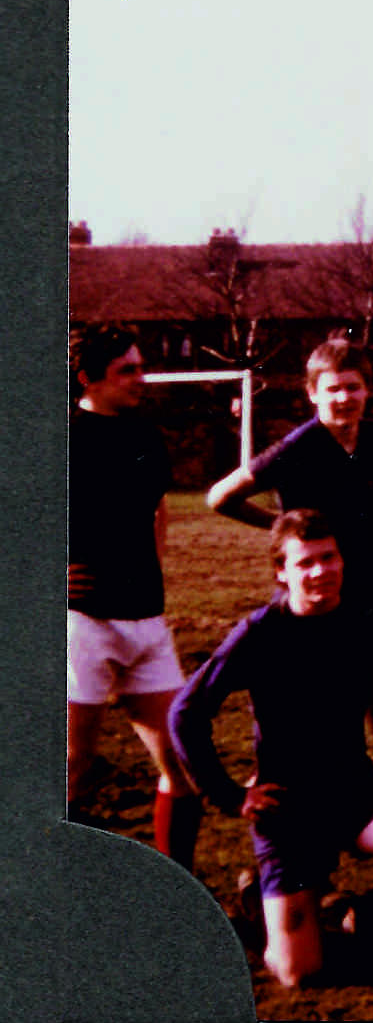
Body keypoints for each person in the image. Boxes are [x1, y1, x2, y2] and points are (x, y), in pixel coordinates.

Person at [169, 510, 373, 989]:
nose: (321, 571)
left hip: (356, 795)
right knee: (298, 973)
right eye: (306, 562)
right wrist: (230, 795)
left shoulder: (371, 621)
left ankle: (368, 911)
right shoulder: (260, 633)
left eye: (329, 558)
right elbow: (185, 714)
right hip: (286, 809)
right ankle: (270, 908)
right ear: (282, 572)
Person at [207, 336, 373, 785]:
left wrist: (371, 540)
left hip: (370, 598)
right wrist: (284, 531)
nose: (344, 398)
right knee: (306, 725)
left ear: (368, 390)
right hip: (311, 606)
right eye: (333, 389)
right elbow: (219, 497)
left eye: (353, 387)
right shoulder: (296, 448)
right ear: (313, 393)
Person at [67, 323, 201, 870]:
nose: (141, 378)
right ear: (87, 378)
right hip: (81, 623)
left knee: (182, 763)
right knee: (70, 766)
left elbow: (157, 510)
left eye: (141, 367)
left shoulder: (146, 436)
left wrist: (152, 574)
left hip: (146, 622)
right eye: (127, 370)